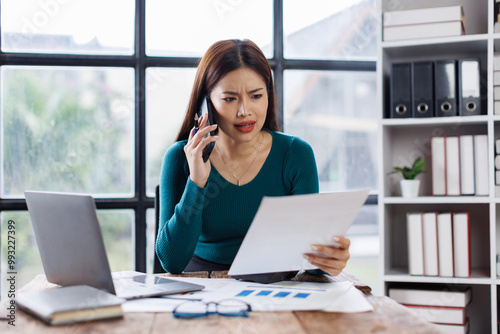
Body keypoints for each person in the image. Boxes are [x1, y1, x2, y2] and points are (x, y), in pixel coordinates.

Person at [155, 39, 351, 276]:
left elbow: (309, 259)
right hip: (204, 287)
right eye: (230, 98)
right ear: (206, 104)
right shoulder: (180, 157)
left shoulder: (295, 155)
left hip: (274, 287)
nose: (245, 111)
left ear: (268, 96)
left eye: (256, 96)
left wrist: (327, 262)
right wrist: (197, 180)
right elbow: (172, 262)